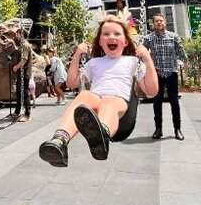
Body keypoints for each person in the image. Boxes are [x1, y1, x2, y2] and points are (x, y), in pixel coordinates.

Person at [38, 15, 158, 167]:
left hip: (121, 113)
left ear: (126, 41)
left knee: (108, 101)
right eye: (106, 34)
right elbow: (72, 83)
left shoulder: (133, 61)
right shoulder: (93, 63)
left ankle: (102, 134)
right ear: (100, 42)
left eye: (117, 34)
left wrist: (147, 59)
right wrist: (77, 55)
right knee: (85, 95)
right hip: (96, 104)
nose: (111, 37)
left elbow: (152, 91)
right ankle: (59, 141)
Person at [141, 12, 187, 140]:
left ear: (165, 22)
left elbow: (181, 51)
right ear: (153, 23)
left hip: (171, 72)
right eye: (156, 21)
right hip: (157, 74)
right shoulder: (149, 38)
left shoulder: (173, 37)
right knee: (157, 102)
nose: (159, 23)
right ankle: (158, 129)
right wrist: (148, 65)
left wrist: (185, 62)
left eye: (161, 20)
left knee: (174, 102)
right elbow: (142, 53)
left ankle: (177, 129)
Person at [10, 27, 32, 122]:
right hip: (21, 74)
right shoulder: (21, 45)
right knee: (19, 93)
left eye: (17, 33)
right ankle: (17, 111)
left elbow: (24, 59)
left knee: (25, 93)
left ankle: (27, 114)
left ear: (21, 35)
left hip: (25, 73)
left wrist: (16, 67)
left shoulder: (25, 45)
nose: (16, 35)